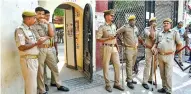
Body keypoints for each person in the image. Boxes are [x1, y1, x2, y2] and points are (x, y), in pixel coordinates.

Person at [31, 7, 69, 94]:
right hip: (40, 49)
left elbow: (52, 35)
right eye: (39, 13)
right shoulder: (33, 25)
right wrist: (48, 36)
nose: (41, 15)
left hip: (49, 48)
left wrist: (48, 24)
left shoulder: (47, 24)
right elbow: (39, 39)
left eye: (42, 14)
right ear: (35, 14)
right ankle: (42, 90)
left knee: (54, 67)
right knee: (40, 71)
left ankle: (58, 84)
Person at [15, 10, 45, 94]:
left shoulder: (30, 29)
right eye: (34, 18)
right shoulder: (20, 30)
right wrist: (36, 43)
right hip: (28, 60)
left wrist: (38, 43)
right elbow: (21, 47)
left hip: (34, 60)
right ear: (28, 19)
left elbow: (32, 44)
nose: (35, 20)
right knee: (31, 86)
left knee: (32, 85)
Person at [151, 18, 182, 94]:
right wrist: (154, 47)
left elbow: (180, 44)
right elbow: (156, 42)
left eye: (167, 23)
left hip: (169, 57)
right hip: (160, 56)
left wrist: (174, 52)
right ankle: (164, 87)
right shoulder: (160, 33)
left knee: (168, 74)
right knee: (162, 73)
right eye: (164, 23)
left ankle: (169, 90)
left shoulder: (174, 33)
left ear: (170, 25)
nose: (165, 24)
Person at [96, 9, 124, 92]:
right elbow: (98, 39)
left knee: (118, 65)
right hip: (106, 47)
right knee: (106, 66)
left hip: (114, 47)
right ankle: (107, 84)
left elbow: (115, 37)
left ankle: (117, 83)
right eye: (111, 15)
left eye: (113, 15)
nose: (113, 17)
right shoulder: (102, 27)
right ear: (106, 16)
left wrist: (117, 45)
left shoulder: (114, 26)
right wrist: (108, 38)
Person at [116, 15, 143, 89]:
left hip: (135, 49)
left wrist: (140, 42)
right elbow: (117, 32)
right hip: (128, 49)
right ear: (129, 21)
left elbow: (137, 36)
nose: (133, 21)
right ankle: (129, 81)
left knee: (132, 65)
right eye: (131, 20)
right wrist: (121, 40)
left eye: (134, 20)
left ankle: (129, 78)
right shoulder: (125, 27)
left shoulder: (136, 28)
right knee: (129, 65)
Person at [43, 9, 59, 91]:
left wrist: (56, 49)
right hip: (43, 48)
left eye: (49, 15)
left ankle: (54, 82)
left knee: (54, 65)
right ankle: (44, 83)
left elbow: (55, 37)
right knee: (43, 68)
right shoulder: (40, 25)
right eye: (46, 15)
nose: (48, 17)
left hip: (52, 47)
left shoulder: (52, 25)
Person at [142, 17, 159, 90]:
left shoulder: (159, 30)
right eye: (152, 22)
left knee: (154, 66)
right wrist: (152, 27)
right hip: (148, 49)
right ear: (149, 23)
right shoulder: (146, 29)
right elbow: (152, 36)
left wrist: (156, 47)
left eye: (154, 21)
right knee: (148, 65)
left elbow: (159, 40)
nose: (153, 22)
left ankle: (150, 79)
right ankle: (144, 82)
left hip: (155, 50)